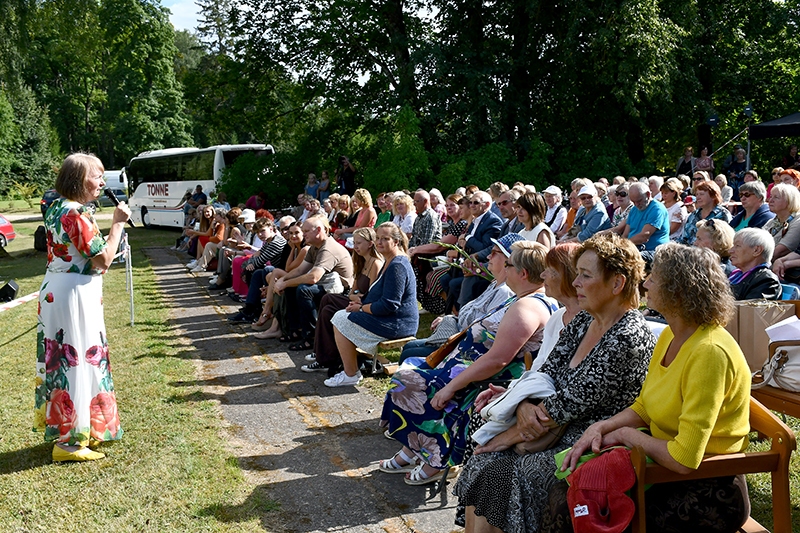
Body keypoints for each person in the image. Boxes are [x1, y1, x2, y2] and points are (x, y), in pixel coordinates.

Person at [455, 233, 655, 533]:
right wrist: (523, 404)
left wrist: (508, 436)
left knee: (502, 469)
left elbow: (568, 404)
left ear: (617, 284)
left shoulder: (628, 337)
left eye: (585, 275)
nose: (575, 282)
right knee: (485, 463)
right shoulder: (585, 320)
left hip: (591, 441)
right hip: (551, 426)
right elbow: (544, 373)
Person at [559, 243, 751, 533]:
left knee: (579, 511)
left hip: (708, 490)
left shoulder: (709, 352)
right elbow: (645, 406)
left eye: (654, 278)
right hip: (663, 472)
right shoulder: (671, 336)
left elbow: (684, 459)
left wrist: (625, 435)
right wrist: (601, 427)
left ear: (679, 290)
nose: (646, 283)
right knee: (570, 494)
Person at [378, 241, 558, 485]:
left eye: (508, 264)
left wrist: (451, 387)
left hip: (483, 379)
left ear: (523, 273)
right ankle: (413, 449)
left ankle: (435, 459)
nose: (504, 268)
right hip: (467, 367)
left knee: (406, 379)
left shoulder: (527, 308)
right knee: (412, 366)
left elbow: (498, 360)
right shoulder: (524, 298)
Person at [36, 153, 131, 462]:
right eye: (96, 176)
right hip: (74, 293)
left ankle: (81, 430)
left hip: (58, 288)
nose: (102, 182)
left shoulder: (56, 207)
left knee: (66, 362)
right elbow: (103, 260)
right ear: (78, 180)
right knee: (76, 362)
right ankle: (69, 443)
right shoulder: (76, 212)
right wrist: (117, 225)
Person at [400, 233, 524, 362]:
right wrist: (452, 319)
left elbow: (485, 332)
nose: (488, 256)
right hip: (459, 338)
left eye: (494, 253)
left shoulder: (505, 292)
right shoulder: (495, 284)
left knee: (409, 354)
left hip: (467, 350)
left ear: (508, 260)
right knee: (409, 347)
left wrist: (454, 324)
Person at [326, 223, 419, 387]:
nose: (380, 242)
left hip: (397, 324)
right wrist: (361, 302)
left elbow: (389, 305)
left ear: (396, 242)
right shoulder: (390, 261)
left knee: (340, 318)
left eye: (385, 239)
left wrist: (361, 308)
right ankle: (348, 367)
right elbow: (380, 294)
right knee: (340, 314)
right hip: (390, 318)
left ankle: (350, 374)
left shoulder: (397, 265)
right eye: (378, 238)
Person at [302, 227, 384, 373]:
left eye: (359, 243)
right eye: (355, 243)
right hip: (357, 300)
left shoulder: (375, 263)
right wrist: (355, 296)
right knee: (327, 303)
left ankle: (323, 356)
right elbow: (352, 292)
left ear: (370, 244)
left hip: (366, 306)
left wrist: (358, 298)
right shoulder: (361, 262)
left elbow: (372, 294)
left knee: (328, 305)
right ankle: (322, 353)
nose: (356, 247)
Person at [274, 215, 354, 349]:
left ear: (318, 230)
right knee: (291, 287)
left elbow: (313, 277)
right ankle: (295, 331)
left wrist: (285, 282)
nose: (304, 234)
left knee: (304, 290)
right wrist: (283, 280)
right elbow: (300, 270)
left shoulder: (328, 248)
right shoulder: (315, 247)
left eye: (306, 231)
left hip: (341, 292)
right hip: (327, 286)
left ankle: (311, 337)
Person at [728, 228, 781, 300]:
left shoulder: (766, 281)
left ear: (757, 250)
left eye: (737, 246)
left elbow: (750, 307)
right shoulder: (735, 275)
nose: (730, 251)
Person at [678, 181, 731, 246]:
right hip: (690, 251)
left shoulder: (723, 215)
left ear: (713, 196)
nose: (698, 197)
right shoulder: (693, 215)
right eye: (697, 194)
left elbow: (726, 241)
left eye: (701, 194)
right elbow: (683, 239)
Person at [621, 182, 670, 252]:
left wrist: (624, 245)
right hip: (633, 247)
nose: (636, 204)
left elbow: (644, 236)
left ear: (648, 194)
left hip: (653, 251)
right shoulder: (634, 209)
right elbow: (625, 234)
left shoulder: (657, 209)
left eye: (639, 201)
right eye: (633, 202)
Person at [763, 183, 800, 260]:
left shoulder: (797, 221)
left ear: (790, 201)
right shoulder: (772, 222)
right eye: (771, 196)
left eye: (776, 197)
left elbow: (778, 252)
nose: (770, 200)